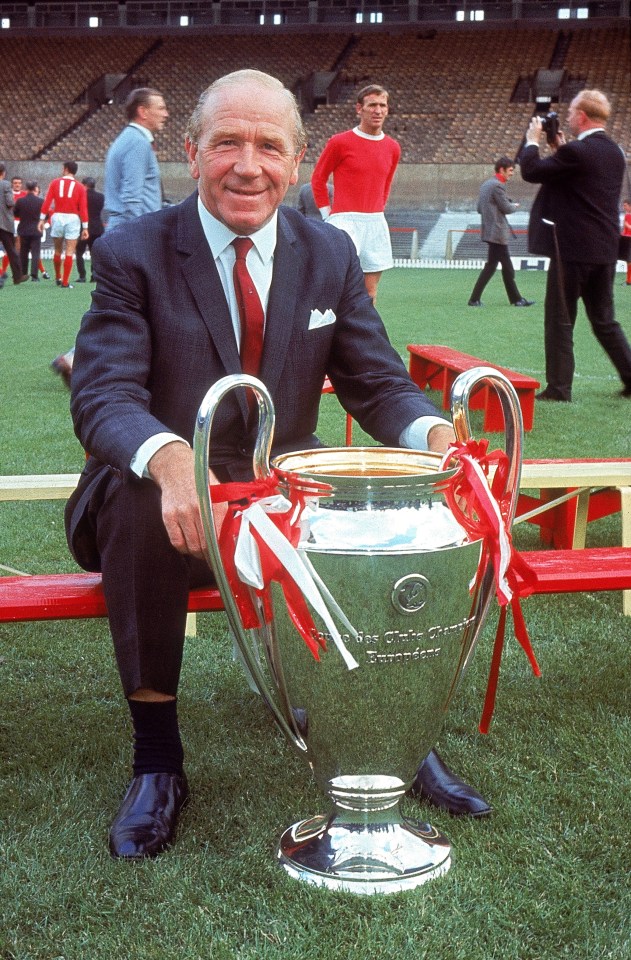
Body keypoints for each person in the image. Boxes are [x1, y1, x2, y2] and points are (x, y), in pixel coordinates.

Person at [65, 69, 489, 862]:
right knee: (138, 504)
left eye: (268, 146)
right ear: (192, 154)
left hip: (277, 493)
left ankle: (382, 736)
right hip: (157, 491)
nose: (247, 165)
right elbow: (103, 395)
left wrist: (436, 438)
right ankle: (157, 759)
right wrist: (169, 461)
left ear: (297, 163)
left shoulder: (325, 250)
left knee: (371, 514)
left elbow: (376, 380)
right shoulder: (132, 251)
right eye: (227, 142)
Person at [519, 89, 631, 401]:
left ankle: (559, 388)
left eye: (571, 113)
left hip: (571, 251)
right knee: (604, 320)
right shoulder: (614, 152)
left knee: (560, 319)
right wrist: (560, 148)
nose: (567, 118)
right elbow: (580, 180)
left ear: (582, 116)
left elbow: (531, 171)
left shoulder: (577, 152)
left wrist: (532, 139)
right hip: (605, 250)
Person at [311, 84, 400, 303]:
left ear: (387, 110)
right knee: (337, 289)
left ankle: (364, 336)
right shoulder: (340, 142)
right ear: (359, 109)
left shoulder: (392, 147)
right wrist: (328, 216)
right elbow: (318, 180)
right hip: (344, 222)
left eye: (382, 105)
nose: (377, 110)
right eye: (372, 105)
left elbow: (386, 185)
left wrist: (377, 210)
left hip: (375, 222)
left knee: (369, 293)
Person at [468, 157, 534, 308]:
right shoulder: (498, 186)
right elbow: (507, 208)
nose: (512, 174)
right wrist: (514, 205)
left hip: (490, 230)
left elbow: (479, 208)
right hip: (497, 232)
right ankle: (475, 299)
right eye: (510, 170)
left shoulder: (486, 185)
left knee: (504, 267)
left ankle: (516, 299)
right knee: (494, 267)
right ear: (502, 169)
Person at [103, 87, 168, 230]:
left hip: (124, 227)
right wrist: (136, 239)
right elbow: (131, 198)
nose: (166, 114)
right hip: (133, 231)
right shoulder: (137, 142)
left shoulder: (129, 138)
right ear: (143, 112)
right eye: (161, 108)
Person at [38, 161, 89, 288]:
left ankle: (57, 277)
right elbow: (83, 208)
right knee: (70, 251)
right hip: (73, 218)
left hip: (58, 216)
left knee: (57, 250)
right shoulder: (80, 187)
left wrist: (41, 219)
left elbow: (47, 202)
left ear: (65, 169)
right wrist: (85, 227)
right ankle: (65, 282)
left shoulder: (55, 183)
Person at [0, 162, 27, 285]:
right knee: (11, 250)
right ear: (3, 173)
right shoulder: (5, 185)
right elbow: (10, 202)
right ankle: (17, 276)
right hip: (4, 223)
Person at [75, 177, 104, 282]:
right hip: (97, 227)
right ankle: (94, 276)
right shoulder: (101, 197)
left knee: (79, 252)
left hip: (84, 227)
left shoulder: (81, 196)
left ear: (84, 185)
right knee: (95, 253)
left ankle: (82, 276)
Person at [14, 180, 43, 280]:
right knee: (35, 253)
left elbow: (15, 213)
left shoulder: (20, 201)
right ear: (35, 188)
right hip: (36, 230)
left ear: (26, 188)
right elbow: (45, 214)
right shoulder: (40, 201)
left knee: (23, 252)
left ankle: (23, 272)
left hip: (23, 229)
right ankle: (34, 274)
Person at [621, 198, 631, 287]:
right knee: (628, 261)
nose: (623, 207)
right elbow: (625, 229)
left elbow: (628, 227)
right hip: (627, 240)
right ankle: (628, 281)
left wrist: (627, 225)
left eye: (625, 205)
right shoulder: (627, 215)